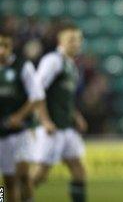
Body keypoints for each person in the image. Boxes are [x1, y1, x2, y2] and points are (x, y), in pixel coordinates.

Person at [33, 25, 88, 202]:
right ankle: (8, 196)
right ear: (60, 42)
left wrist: (76, 116)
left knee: (78, 170)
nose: (76, 44)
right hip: (52, 127)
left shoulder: (71, 65)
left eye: (78, 40)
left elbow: (65, 97)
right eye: (71, 40)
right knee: (40, 173)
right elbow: (37, 90)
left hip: (66, 127)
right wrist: (45, 120)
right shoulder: (53, 61)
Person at [0, 30, 43, 202]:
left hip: (21, 131)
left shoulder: (22, 66)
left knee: (23, 175)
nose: (1, 50)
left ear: (11, 47)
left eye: (5, 46)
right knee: (6, 183)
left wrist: (18, 116)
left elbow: (36, 97)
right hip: (2, 133)